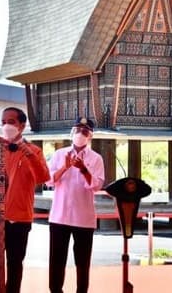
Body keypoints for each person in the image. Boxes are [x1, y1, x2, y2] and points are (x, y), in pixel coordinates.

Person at [0, 107, 50, 293]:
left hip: (19, 218)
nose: (6, 125)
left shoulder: (34, 151)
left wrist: (26, 151)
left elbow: (44, 176)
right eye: (3, 122)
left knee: (14, 263)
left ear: (22, 125)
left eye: (11, 122)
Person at [46, 117, 105, 293]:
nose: (80, 134)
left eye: (84, 131)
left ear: (90, 136)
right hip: (59, 217)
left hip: (84, 219)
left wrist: (83, 169)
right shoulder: (59, 154)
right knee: (56, 261)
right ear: (72, 132)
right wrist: (64, 167)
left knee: (83, 263)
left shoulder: (96, 158)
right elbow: (48, 180)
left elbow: (96, 185)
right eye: (77, 130)